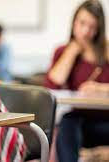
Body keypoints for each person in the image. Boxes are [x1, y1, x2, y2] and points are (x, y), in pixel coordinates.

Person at [44, 1, 109, 162]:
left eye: (92, 27)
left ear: (99, 29)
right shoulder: (63, 51)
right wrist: (72, 51)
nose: (86, 31)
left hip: (105, 121)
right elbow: (51, 87)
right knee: (67, 122)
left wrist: (101, 89)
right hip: (79, 121)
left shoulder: (107, 52)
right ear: (74, 23)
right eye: (82, 23)